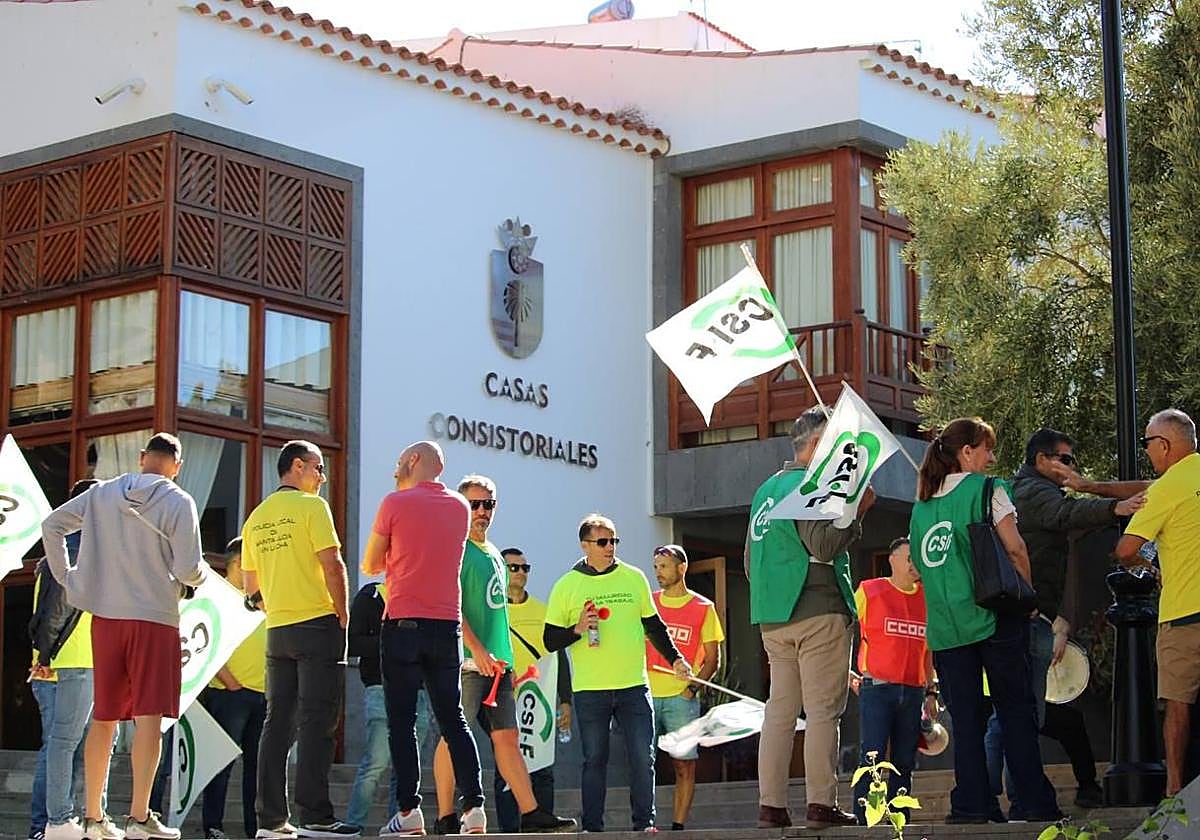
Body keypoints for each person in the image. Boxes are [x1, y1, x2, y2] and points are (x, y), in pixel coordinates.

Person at [42, 433, 208, 840]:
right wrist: (201, 576)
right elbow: (188, 569)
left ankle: (93, 818)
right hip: (154, 617)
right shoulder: (179, 501)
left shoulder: (102, 493)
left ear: (142, 457)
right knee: (150, 717)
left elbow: (52, 525)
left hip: (106, 617)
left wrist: (69, 579)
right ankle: (138, 817)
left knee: (104, 717)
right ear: (177, 465)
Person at [909, 417, 1060, 824]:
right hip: (995, 615)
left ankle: (971, 805)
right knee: (1015, 711)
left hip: (946, 626)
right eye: (986, 449)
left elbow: (919, 568)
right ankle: (1033, 802)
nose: (991, 458)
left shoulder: (921, 507)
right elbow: (1016, 549)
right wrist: (1028, 599)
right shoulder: (988, 489)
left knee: (966, 722)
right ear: (967, 452)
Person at [985, 427, 1144, 811]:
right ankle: (1000, 799)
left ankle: (1009, 799)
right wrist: (1115, 508)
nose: (1073, 467)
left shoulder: (1025, 489)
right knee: (1015, 715)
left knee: (1020, 713)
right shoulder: (1033, 491)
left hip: (1025, 615)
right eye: (1066, 459)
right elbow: (1064, 514)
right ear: (1042, 460)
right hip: (1025, 616)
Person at [747, 408, 874, 830]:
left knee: (780, 713)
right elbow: (823, 546)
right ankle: (821, 803)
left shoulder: (765, 490)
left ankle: (771, 807)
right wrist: (856, 509)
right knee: (822, 711)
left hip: (773, 616)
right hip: (818, 608)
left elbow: (749, 561)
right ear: (818, 444)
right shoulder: (812, 484)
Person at [430, 477, 574, 834]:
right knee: (453, 735)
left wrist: (507, 662)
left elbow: (496, 611)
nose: (482, 511)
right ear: (460, 506)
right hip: (466, 662)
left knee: (508, 738)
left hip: (499, 665)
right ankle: (445, 817)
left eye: (488, 504)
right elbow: (449, 605)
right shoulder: (454, 548)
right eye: (474, 504)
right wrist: (476, 649)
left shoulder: (494, 553)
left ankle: (531, 813)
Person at [360, 442, 485, 837]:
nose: (395, 469)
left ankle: (409, 811)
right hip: (446, 625)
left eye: (399, 461)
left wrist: (397, 554)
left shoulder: (394, 502)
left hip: (403, 622)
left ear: (414, 461)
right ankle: (474, 809)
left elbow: (369, 563)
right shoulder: (460, 507)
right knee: (453, 718)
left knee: (402, 721)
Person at [543, 513, 691, 833]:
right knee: (594, 760)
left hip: (633, 686)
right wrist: (577, 629)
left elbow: (654, 627)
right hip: (590, 689)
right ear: (585, 545)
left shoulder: (634, 577)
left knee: (643, 757)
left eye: (614, 540)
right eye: (602, 542)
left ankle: (644, 824)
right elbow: (549, 640)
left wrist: (676, 660)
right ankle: (592, 828)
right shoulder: (567, 585)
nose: (610, 547)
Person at [241, 440, 355, 839]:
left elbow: (250, 587)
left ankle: (270, 820)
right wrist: (343, 614)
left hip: (278, 630)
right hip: (317, 623)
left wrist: (275, 605)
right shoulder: (312, 507)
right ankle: (316, 816)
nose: (323, 477)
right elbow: (333, 564)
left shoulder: (256, 518)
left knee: (277, 723)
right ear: (297, 466)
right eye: (318, 467)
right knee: (317, 722)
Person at [1114, 408, 1200, 796]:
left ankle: (1174, 792)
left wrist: (1149, 565)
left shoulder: (1166, 488)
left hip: (1183, 614)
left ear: (1164, 444)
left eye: (1147, 443)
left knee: (1178, 705)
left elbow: (1125, 549)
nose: (1146, 451)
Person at [849, 537, 936, 825]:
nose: (914, 564)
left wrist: (932, 692)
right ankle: (864, 821)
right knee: (871, 757)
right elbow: (841, 627)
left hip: (913, 691)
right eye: (909, 557)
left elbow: (929, 650)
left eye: (918, 559)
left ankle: (900, 821)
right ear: (892, 559)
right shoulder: (869, 590)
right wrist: (845, 672)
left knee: (904, 761)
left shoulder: (928, 597)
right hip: (877, 688)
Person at [29, 479, 99, 840]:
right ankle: (48, 825)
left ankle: (56, 823)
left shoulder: (65, 550)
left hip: (65, 663)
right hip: (64, 664)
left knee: (65, 747)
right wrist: (45, 656)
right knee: (61, 747)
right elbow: (56, 611)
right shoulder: (73, 549)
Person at [344, 580, 434, 831]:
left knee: (406, 771)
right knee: (376, 764)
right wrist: (393, 640)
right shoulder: (371, 596)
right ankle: (354, 827)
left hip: (417, 693)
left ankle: (400, 826)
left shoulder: (424, 598)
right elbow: (352, 643)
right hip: (380, 689)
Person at [647, 544, 723, 831]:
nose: (658, 572)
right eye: (656, 567)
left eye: (664, 566)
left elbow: (713, 659)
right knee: (643, 765)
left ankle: (678, 827)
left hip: (682, 698)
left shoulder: (703, 607)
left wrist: (691, 690)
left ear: (682, 568)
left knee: (684, 765)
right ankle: (645, 823)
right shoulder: (648, 603)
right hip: (645, 695)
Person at [497, 547, 573, 833]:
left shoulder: (544, 611)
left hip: (539, 700)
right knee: (506, 769)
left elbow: (558, 656)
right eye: (513, 567)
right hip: (505, 699)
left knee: (542, 767)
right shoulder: (493, 611)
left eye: (524, 568)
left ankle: (543, 826)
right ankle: (509, 831)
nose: (520, 573)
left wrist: (565, 700)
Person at [199, 537, 267, 840]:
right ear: (239, 562)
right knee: (221, 764)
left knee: (258, 767)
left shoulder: (261, 598)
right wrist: (232, 684)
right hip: (230, 695)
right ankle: (213, 826)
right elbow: (205, 643)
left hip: (263, 694)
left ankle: (256, 828)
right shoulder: (218, 596)